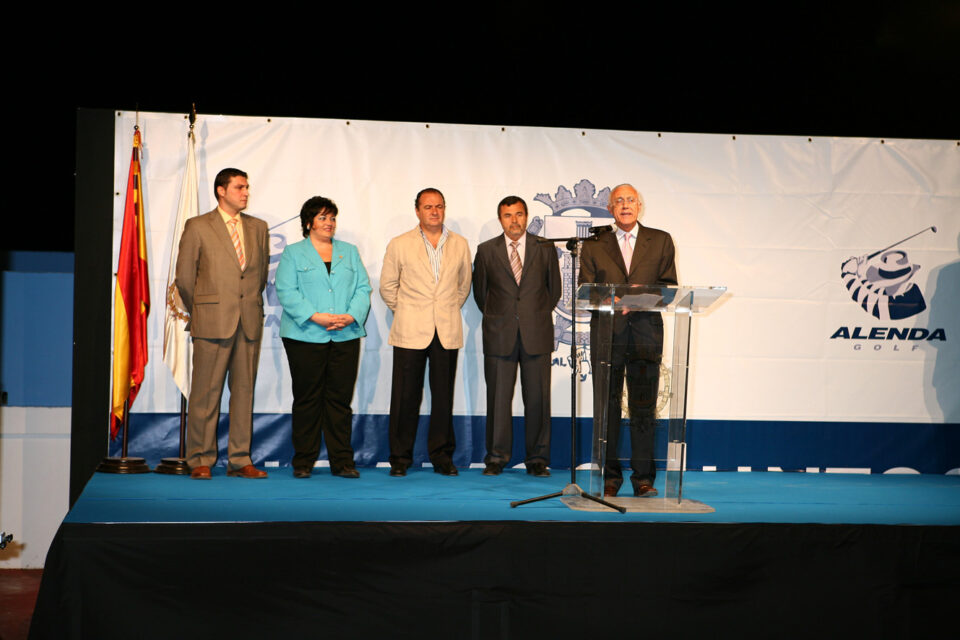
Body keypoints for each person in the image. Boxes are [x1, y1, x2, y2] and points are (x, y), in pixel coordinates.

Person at [578, 184, 677, 497]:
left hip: (646, 335)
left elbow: (669, 289)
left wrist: (636, 300)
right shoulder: (594, 244)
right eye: (618, 200)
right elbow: (586, 289)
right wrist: (613, 298)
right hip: (608, 334)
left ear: (640, 206)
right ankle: (610, 478)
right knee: (606, 409)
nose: (624, 205)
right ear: (610, 208)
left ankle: (644, 479)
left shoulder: (660, 240)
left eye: (630, 200)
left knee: (643, 408)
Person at [176, 168, 270, 479]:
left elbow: (258, 276)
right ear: (221, 190)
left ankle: (240, 459)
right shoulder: (199, 226)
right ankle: (200, 459)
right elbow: (186, 280)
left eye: (247, 187)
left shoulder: (258, 228)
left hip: (248, 321)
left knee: (244, 394)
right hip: (212, 321)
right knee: (206, 394)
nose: (245, 192)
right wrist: (204, 309)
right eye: (239, 187)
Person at [275, 196, 371, 479]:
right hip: (305, 335)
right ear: (308, 223)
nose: (329, 223)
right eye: (322, 218)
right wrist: (316, 316)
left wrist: (351, 316)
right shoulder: (294, 253)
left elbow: (363, 289)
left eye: (332, 218)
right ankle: (303, 462)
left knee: (339, 401)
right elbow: (287, 291)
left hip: (345, 334)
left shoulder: (349, 252)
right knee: (307, 399)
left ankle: (342, 462)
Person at [379, 188, 472, 477]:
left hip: (446, 329)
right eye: (428, 206)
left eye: (439, 206)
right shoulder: (399, 244)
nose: (434, 211)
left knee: (443, 397)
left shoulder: (460, 244)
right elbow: (387, 287)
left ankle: (442, 457)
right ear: (417, 211)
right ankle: (400, 458)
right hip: (410, 329)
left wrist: (441, 310)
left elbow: (463, 287)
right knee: (405, 397)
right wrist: (408, 310)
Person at [473, 195, 561, 476]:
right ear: (501, 219)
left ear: (526, 216)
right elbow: (481, 294)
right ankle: (496, 458)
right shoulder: (486, 250)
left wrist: (531, 316)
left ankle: (537, 459)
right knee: (498, 400)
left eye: (519, 214)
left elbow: (553, 290)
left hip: (536, 334)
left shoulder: (544, 248)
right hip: (500, 335)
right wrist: (503, 318)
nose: (515, 220)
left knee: (538, 400)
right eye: (508, 215)